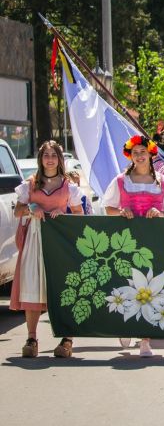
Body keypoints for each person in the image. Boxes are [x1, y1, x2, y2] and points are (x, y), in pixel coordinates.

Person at [103, 135, 164, 357]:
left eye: (142, 152)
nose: (139, 156)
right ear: (130, 156)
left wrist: (160, 213)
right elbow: (109, 208)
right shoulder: (120, 181)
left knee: (148, 287)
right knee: (125, 283)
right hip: (126, 242)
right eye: (135, 152)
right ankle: (126, 326)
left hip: (152, 242)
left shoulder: (163, 183)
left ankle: (145, 339)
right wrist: (121, 212)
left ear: (150, 154)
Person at [12, 141, 84, 358]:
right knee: (33, 285)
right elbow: (17, 212)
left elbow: (79, 215)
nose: (50, 159)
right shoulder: (30, 184)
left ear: (60, 159)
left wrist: (64, 217)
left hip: (59, 242)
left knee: (63, 288)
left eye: (54, 155)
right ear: (41, 159)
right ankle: (32, 338)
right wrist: (32, 207)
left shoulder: (69, 187)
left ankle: (66, 339)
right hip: (35, 239)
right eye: (46, 155)